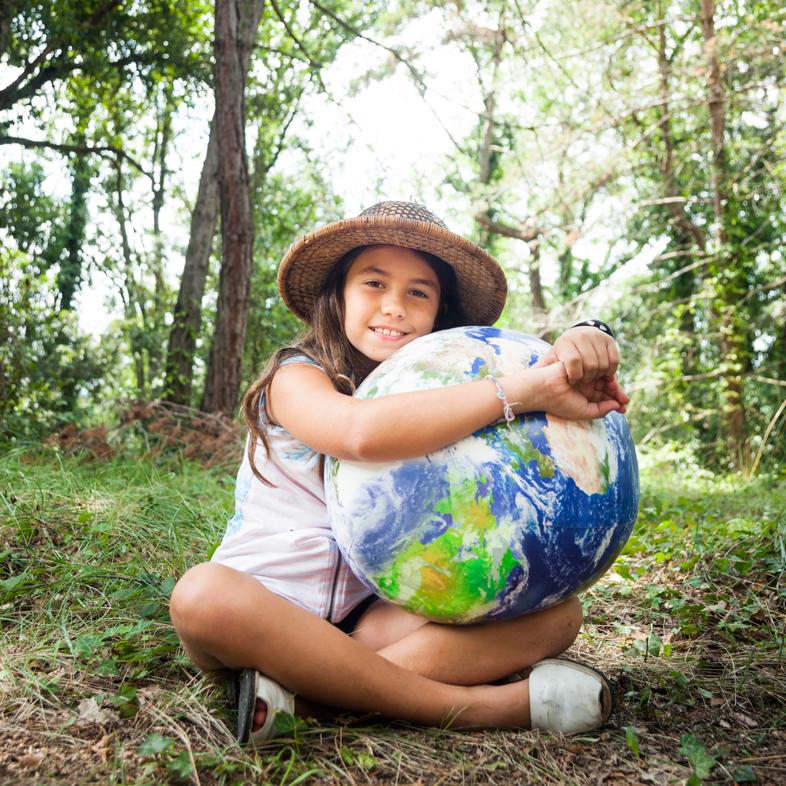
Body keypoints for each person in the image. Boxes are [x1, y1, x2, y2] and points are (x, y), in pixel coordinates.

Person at [170, 201, 629, 744]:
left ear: (441, 313)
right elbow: (358, 433)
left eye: (418, 292)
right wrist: (521, 391)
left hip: (372, 622)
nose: (394, 307)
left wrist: (584, 335)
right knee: (201, 595)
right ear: (338, 295)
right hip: (262, 611)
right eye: (374, 283)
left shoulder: (445, 391)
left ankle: (309, 700)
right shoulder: (297, 376)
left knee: (558, 617)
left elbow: (528, 368)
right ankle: (476, 708)